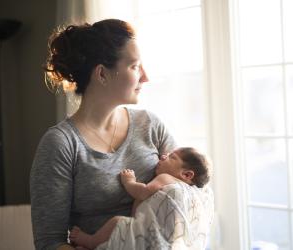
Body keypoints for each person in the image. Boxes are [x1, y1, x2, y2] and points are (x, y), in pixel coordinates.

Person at [30, 19, 177, 250]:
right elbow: (50, 242)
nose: (145, 77)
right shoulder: (61, 145)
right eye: (135, 66)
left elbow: (186, 192)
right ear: (102, 74)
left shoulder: (151, 125)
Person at [69, 147, 211, 250]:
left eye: (171, 157)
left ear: (186, 175)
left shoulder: (168, 179)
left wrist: (129, 181)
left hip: (152, 237)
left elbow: (142, 193)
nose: (163, 156)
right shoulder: (193, 194)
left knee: (118, 223)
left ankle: (90, 241)